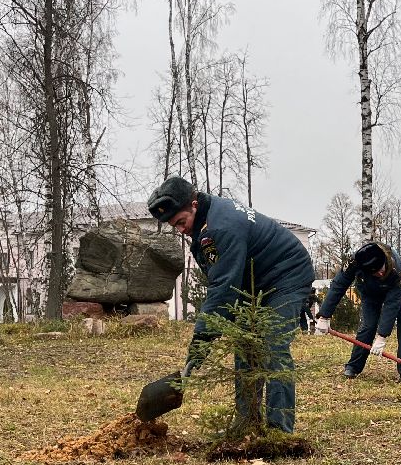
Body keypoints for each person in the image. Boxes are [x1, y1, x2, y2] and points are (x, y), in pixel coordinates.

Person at [135, 176, 315, 433]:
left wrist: (202, 337)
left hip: (287, 275)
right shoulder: (206, 220)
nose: (181, 230)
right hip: (253, 281)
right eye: (175, 226)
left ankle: (279, 431)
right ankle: (246, 424)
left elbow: (223, 287)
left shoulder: (220, 228)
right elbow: (223, 282)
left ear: (194, 204)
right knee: (245, 345)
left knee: (273, 345)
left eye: (181, 222)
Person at [314, 241, 401, 383]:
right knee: (368, 325)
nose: (380, 273)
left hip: (396, 288)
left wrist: (382, 336)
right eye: (375, 272)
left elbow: (392, 304)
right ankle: (353, 366)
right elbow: (339, 285)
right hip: (369, 290)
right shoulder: (354, 262)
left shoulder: (397, 269)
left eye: (381, 268)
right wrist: (324, 316)